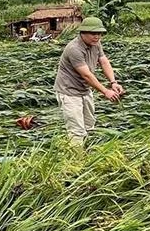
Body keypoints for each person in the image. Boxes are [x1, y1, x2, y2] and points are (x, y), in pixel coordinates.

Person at [53, 17, 124, 146]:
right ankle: (77, 160)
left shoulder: (96, 43)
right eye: (93, 33)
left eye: (99, 33)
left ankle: (88, 151)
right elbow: (86, 75)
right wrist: (105, 91)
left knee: (89, 125)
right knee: (77, 130)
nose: (97, 36)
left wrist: (113, 82)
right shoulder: (74, 49)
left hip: (85, 90)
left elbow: (103, 61)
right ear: (83, 33)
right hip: (69, 92)